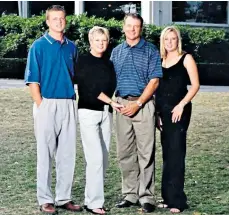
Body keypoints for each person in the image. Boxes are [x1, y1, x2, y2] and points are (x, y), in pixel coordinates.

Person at [24, 5, 82, 214]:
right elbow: (32, 81)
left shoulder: (71, 47)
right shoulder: (38, 47)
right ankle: (45, 199)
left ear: (65, 21)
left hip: (68, 102)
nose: (58, 22)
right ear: (47, 22)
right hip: (46, 103)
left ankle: (63, 197)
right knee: (45, 154)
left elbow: (76, 76)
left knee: (67, 154)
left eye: (62, 18)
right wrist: (42, 105)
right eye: (54, 19)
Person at [110, 13, 163, 213]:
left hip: (144, 104)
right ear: (123, 27)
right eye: (129, 26)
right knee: (125, 153)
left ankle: (147, 197)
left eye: (136, 26)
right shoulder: (116, 52)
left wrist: (139, 103)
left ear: (141, 28)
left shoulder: (150, 50)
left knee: (146, 152)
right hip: (122, 105)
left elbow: (154, 81)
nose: (132, 29)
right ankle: (130, 194)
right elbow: (111, 79)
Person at [75, 26, 123, 215]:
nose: (101, 43)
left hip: (106, 113)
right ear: (90, 41)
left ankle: (91, 198)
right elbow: (90, 88)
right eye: (97, 40)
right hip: (88, 112)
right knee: (94, 158)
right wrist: (111, 101)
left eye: (104, 40)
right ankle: (94, 203)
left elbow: (112, 86)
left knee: (103, 159)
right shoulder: (83, 61)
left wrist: (113, 103)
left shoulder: (109, 63)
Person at [156, 26, 200, 213]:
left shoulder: (186, 58)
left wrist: (181, 105)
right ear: (163, 41)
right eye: (167, 39)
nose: (170, 42)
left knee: (176, 153)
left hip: (179, 111)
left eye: (173, 39)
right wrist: (157, 114)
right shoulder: (160, 60)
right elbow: (156, 88)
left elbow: (195, 85)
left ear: (178, 40)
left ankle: (178, 201)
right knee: (167, 153)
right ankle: (167, 197)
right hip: (163, 112)